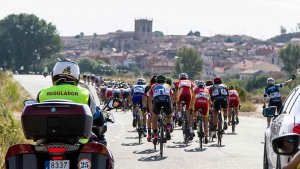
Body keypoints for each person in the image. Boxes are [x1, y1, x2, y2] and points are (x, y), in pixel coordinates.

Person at [36, 60, 107, 145]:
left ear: (53, 75)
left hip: (46, 140)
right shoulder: (85, 93)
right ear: (77, 77)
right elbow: (97, 118)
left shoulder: (42, 93)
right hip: (79, 141)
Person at [148, 74, 173, 142]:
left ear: (156, 81)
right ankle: (168, 127)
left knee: (155, 117)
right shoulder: (168, 85)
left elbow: (150, 99)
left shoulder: (153, 86)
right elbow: (171, 96)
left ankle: (155, 135)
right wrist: (172, 109)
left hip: (157, 101)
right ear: (165, 81)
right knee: (169, 116)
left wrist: (151, 111)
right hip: (166, 100)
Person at [174, 72, 195, 140]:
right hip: (189, 95)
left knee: (178, 103)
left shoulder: (178, 81)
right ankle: (191, 130)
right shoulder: (189, 81)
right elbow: (193, 89)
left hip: (181, 93)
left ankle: (180, 116)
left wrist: (175, 101)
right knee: (189, 113)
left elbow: (176, 91)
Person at [143, 75, 157, 142]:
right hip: (158, 103)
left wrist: (144, 106)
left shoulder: (147, 87)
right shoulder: (160, 86)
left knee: (150, 117)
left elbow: (145, 98)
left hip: (150, 103)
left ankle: (149, 134)